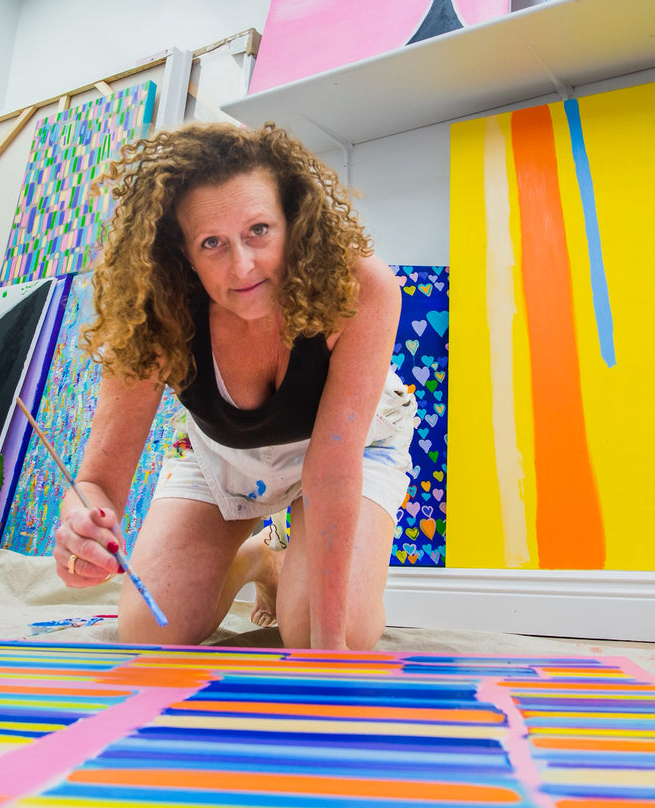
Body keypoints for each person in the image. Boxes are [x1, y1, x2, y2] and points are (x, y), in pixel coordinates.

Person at [54, 121, 416, 651]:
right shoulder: (157, 315)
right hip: (223, 457)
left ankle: (293, 572)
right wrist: (78, 528)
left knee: (330, 634)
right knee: (149, 632)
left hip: (352, 449)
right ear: (181, 251)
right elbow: (96, 483)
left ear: (293, 221)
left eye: (259, 231)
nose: (243, 265)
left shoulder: (359, 286)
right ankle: (260, 556)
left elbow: (332, 470)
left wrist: (331, 648)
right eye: (213, 243)